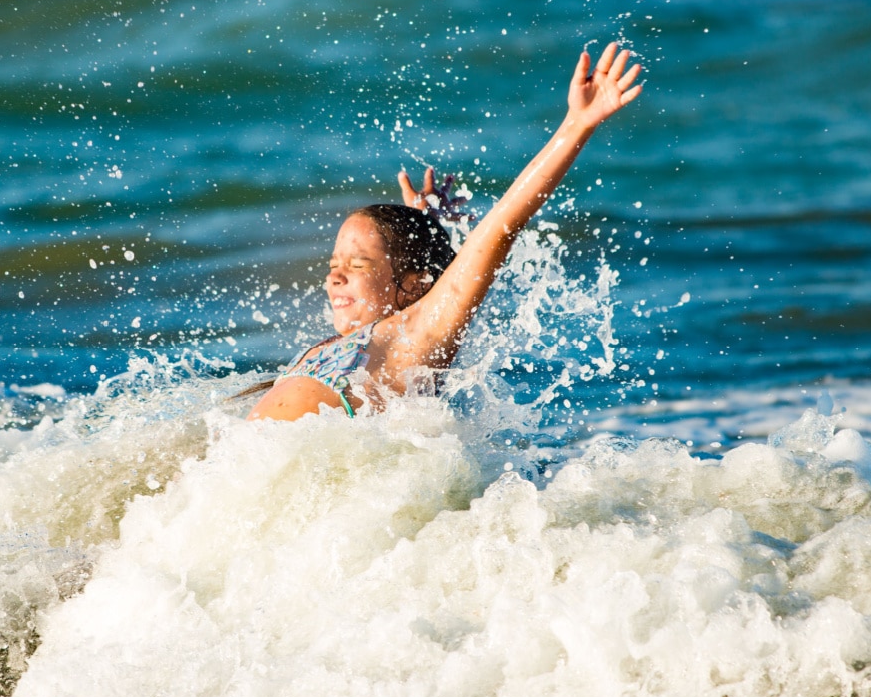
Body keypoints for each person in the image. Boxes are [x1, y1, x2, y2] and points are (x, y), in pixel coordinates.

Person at [247, 42, 643, 421]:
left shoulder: (415, 336)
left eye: (358, 264)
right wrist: (423, 223)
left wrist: (576, 126)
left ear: (418, 285)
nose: (334, 275)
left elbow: (500, 227)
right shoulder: (357, 343)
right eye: (335, 264)